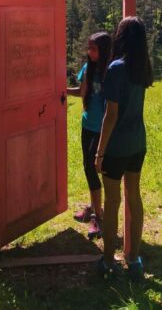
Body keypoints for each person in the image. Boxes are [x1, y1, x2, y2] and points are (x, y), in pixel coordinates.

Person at [94, 16, 153, 282]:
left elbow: (111, 115)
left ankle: (108, 260)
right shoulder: (143, 66)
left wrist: (100, 153)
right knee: (134, 198)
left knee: (112, 202)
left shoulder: (117, 68)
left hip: (116, 147)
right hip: (137, 143)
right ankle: (134, 259)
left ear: (122, 36)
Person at [67, 32, 112, 240]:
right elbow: (82, 92)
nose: (89, 52)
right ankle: (94, 207)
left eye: (93, 49)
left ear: (103, 50)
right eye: (89, 48)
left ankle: (98, 216)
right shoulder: (88, 68)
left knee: (95, 169)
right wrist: (63, 90)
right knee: (87, 167)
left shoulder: (111, 72)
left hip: (102, 128)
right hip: (87, 125)